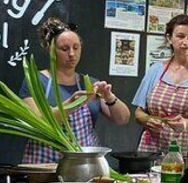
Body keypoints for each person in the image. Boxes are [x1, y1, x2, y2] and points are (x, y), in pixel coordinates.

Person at [20, 18, 130, 163]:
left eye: (76, 47)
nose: (72, 54)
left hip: (85, 165)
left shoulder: (90, 83)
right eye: (65, 49)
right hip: (45, 165)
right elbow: (37, 123)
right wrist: (72, 104)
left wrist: (109, 97)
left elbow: (123, 119)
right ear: (50, 48)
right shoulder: (36, 81)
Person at [133, 14, 188, 154]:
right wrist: (147, 120)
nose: (186, 42)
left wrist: (187, 123)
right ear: (169, 38)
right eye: (180, 36)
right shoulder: (155, 70)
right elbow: (139, 113)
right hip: (153, 149)